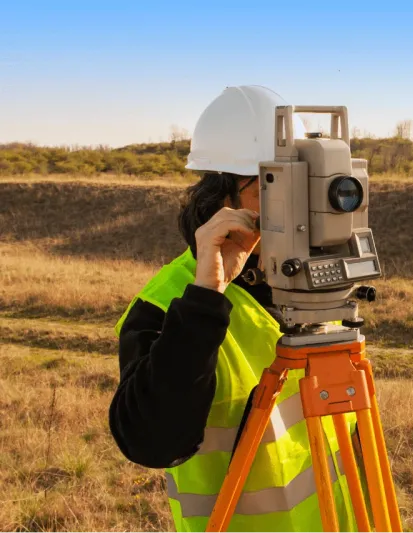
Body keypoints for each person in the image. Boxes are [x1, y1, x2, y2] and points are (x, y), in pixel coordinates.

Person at [109, 85, 360, 533]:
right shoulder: (167, 304)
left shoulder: (309, 292)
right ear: (223, 195)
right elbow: (149, 442)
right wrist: (208, 296)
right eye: (277, 186)